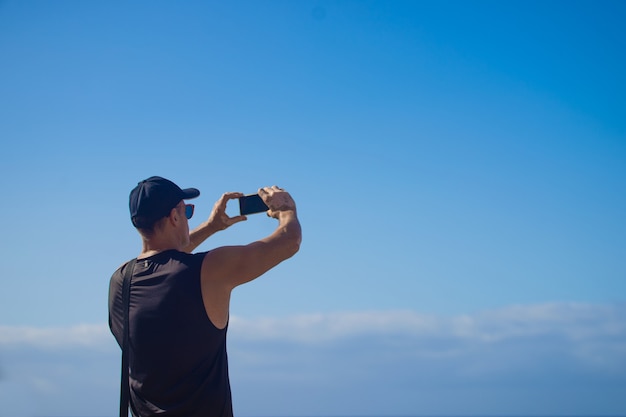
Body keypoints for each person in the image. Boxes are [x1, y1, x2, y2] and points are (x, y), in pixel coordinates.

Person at [108, 176, 302, 417]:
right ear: (175, 217)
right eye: (187, 211)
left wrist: (212, 226)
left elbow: (165, 261)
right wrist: (286, 210)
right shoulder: (209, 270)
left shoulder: (121, 281)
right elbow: (288, 242)